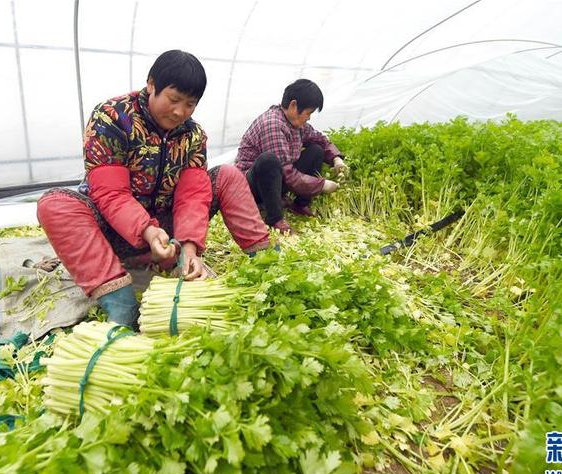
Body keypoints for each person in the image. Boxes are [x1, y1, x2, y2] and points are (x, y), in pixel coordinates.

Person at [37, 50, 270, 328]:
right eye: (173, 100)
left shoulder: (193, 135)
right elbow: (110, 194)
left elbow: (193, 196)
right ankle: (120, 301)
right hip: (113, 229)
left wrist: (189, 247)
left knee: (228, 175)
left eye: (190, 104)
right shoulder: (113, 118)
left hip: (166, 228)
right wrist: (146, 231)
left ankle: (267, 261)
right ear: (151, 85)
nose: (179, 112)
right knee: (54, 204)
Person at [234, 79, 349, 234]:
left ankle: (300, 205)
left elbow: (320, 140)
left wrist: (336, 158)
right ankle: (275, 219)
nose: (309, 118)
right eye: (308, 113)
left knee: (316, 150)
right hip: (251, 187)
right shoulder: (273, 124)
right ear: (294, 106)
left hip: (275, 182)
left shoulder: (296, 124)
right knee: (269, 161)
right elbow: (286, 174)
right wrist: (321, 185)